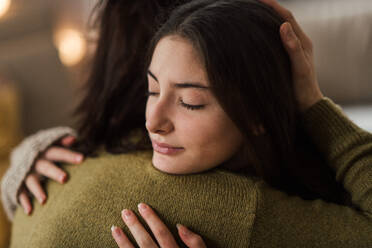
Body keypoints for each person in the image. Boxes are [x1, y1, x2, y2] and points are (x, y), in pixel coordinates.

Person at [3, 0, 372, 247]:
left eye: (190, 102)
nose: (154, 121)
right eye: (152, 90)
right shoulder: (240, 209)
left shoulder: (85, 156)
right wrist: (312, 102)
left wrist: (26, 156)